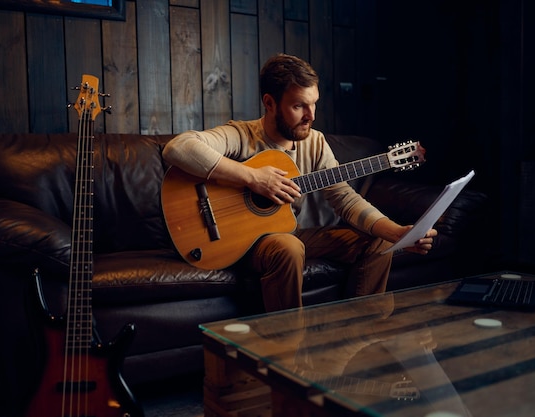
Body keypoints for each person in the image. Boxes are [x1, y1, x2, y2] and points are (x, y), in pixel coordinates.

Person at [162, 53, 436, 312]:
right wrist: (253, 177)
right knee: (289, 247)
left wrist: (398, 233)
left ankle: (363, 335)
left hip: (293, 234)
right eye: (298, 106)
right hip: (243, 241)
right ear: (270, 103)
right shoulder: (241, 135)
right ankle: (289, 346)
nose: (311, 115)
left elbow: (345, 199)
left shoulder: (315, 142)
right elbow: (178, 148)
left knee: (378, 242)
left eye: (313, 103)